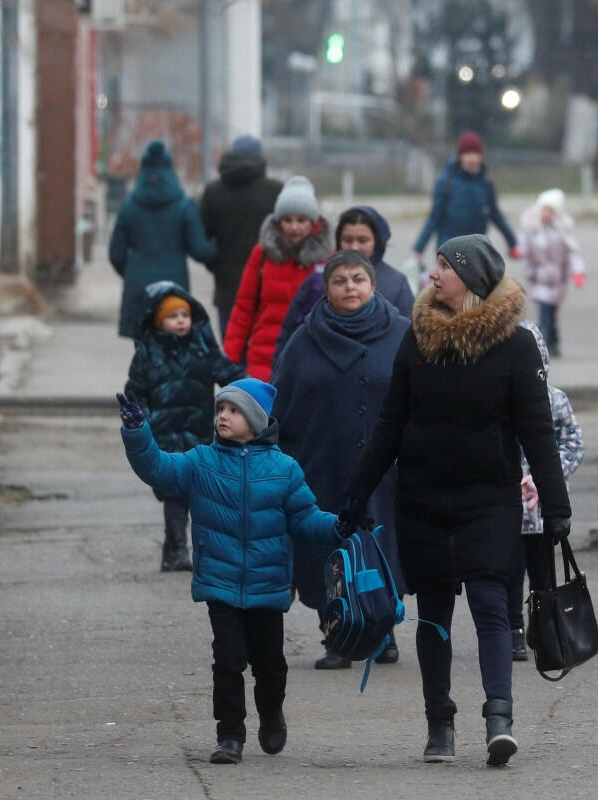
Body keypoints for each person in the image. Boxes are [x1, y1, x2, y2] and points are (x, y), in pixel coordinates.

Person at [340, 234, 571, 767]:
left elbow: (538, 432)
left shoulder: (515, 344)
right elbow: (390, 423)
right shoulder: (416, 339)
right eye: (435, 265)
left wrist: (556, 508)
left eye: (444, 266)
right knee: (434, 616)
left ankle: (499, 718)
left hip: (489, 499)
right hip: (422, 500)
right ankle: (439, 724)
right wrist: (356, 492)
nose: (432, 276)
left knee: (493, 607)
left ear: (473, 277)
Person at [117, 377, 343, 766]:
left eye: (234, 410)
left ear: (256, 420)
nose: (224, 416)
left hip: (269, 584)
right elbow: (158, 469)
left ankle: (271, 713)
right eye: (221, 409)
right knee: (227, 659)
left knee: (270, 663)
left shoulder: (284, 469)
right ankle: (229, 735)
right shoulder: (200, 461)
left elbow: (305, 518)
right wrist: (138, 432)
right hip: (220, 585)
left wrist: (340, 526)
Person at [270, 250, 411, 670]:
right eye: (340, 281)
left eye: (358, 279)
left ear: (372, 286)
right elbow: (283, 399)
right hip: (321, 462)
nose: (350, 287)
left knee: (385, 543)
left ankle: (383, 631)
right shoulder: (305, 338)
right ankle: (337, 634)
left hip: (388, 468)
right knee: (326, 549)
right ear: (327, 289)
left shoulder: (403, 332)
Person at [124, 281, 246, 572]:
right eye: (172, 316)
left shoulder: (203, 351)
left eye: (185, 315)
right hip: (164, 436)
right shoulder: (147, 356)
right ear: (157, 321)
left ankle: (194, 549)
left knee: (202, 493)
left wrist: (249, 393)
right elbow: (136, 391)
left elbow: (230, 375)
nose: (180, 321)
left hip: (199, 434)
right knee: (175, 491)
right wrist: (143, 418)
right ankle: (177, 547)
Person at [508, 321, 584, 661]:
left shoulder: (555, 399)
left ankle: (545, 622)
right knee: (507, 571)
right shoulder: (494, 400)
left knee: (543, 571)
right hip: (505, 504)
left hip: (541, 508)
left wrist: (545, 479)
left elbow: (572, 444)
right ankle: (512, 628)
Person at [272, 205, 414, 371]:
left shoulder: (396, 283)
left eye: (362, 240)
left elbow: (409, 343)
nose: (354, 247)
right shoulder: (318, 278)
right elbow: (289, 334)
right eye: (348, 240)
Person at [222, 175, 332, 381]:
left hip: (311, 359)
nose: (294, 227)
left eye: (301, 220)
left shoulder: (328, 259)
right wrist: (230, 359)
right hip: (263, 360)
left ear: (313, 222)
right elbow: (243, 308)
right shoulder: (262, 254)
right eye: (287, 220)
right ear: (278, 221)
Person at [109, 140, 217, 338]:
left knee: (144, 349)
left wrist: (131, 272)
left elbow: (116, 253)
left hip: (138, 284)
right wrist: (220, 249)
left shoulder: (129, 206)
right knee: (174, 346)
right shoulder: (183, 205)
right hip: (173, 284)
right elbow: (199, 250)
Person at [198, 135, 284, 338]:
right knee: (265, 355)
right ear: (261, 159)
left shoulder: (213, 192)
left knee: (232, 353)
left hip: (228, 288)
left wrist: (216, 263)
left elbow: (200, 240)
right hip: (269, 286)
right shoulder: (276, 191)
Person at [412, 130, 519, 263]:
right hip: (449, 248)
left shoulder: (486, 183)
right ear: (460, 156)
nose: (471, 158)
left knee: (475, 282)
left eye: (475, 154)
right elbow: (434, 217)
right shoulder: (446, 182)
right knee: (454, 281)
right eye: (467, 154)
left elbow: (496, 215)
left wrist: (512, 243)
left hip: (476, 249)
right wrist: (419, 248)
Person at [517, 188, 584, 358]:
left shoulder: (562, 231)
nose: (546, 214)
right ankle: (543, 345)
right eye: (544, 210)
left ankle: (554, 341)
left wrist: (578, 272)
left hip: (558, 281)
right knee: (544, 314)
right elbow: (523, 246)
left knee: (552, 314)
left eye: (550, 211)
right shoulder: (532, 228)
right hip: (539, 278)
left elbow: (572, 253)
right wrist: (517, 251)